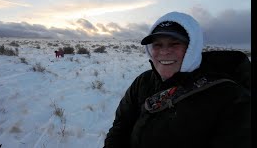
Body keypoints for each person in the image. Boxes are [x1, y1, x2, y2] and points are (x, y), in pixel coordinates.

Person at [103, 11, 251, 148]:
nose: (164, 51)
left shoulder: (230, 96)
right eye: (157, 44)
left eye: (175, 43)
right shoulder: (143, 81)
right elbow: (121, 126)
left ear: (192, 47)